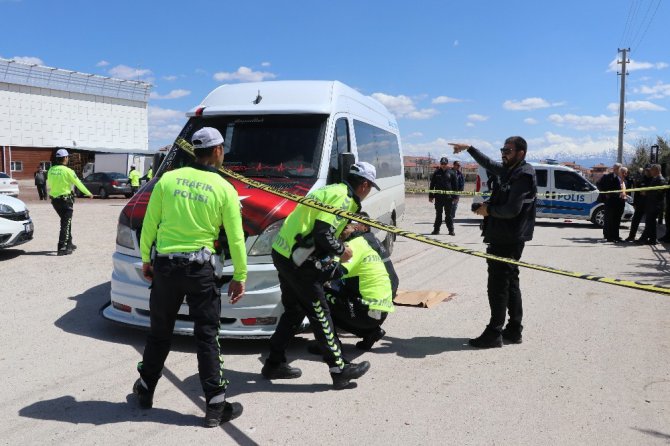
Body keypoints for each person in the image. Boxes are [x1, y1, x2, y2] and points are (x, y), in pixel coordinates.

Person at [133, 127, 247, 428]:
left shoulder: (167, 180)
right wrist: (240, 275)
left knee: (159, 333)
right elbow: (236, 239)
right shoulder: (224, 188)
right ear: (218, 151)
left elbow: (150, 224)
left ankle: (145, 390)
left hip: (166, 267)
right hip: (201, 271)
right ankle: (215, 407)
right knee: (207, 336)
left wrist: (146, 258)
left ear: (194, 150)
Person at [262, 161, 378, 390]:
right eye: (370, 187)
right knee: (320, 314)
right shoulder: (344, 198)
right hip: (299, 263)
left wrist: (340, 233)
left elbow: (319, 225)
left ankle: (274, 363)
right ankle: (339, 369)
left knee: (294, 311)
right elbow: (323, 234)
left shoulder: (331, 189)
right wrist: (341, 250)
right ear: (364, 184)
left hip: (284, 253)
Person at [450, 137, 536, 348]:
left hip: (508, 238)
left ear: (521, 153)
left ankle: (494, 332)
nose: (503, 153)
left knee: (498, 285)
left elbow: (512, 210)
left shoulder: (523, 174)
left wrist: (488, 210)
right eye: (502, 149)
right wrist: (470, 148)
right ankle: (514, 330)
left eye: (508, 150)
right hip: (504, 235)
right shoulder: (510, 169)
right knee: (511, 282)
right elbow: (488, 164)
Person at [321, 214, 398, 351]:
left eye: (344, 227)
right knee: (338, 292)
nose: (339, 232)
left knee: (317, 296)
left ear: (357, 227)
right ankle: (370, 332)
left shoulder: (354, 245)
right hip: (381, 310)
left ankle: (330, 347)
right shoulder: (368, 242)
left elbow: (331, 273)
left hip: (366, 311)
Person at [47, 149, 93, 255]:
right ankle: (62, 247)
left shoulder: (50, 170)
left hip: (55, 201)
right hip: (65, 200)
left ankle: (69, 243)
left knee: (66, 222)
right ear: (65, 158)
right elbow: (78, 183)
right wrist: (88, 193)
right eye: (67, 157)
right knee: (65, 223)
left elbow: (50, 183)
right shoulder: (68, 171)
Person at [635, 164, 666, 245]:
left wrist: (646, 193)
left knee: (649, 223)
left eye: (652, 170)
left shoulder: (661, 180)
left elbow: (659, 194)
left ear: (656, 170)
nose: (650, 172)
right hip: (651, 204)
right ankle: (653, 239)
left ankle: (643, 239)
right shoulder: (656, 179)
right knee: (651, 223)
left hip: (655, 205)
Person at [429, 156, 458, 235]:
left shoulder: (452, 173)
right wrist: (431, 196)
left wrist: (456, 197)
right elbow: (432, 185)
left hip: (448, 198)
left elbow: (455, 186)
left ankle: (451, 230)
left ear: (447, 164)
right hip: (438, 198)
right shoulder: (436, 173)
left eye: (445, 163)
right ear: (440, 164)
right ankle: (436, 230)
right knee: (438, 214)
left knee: (448, 215)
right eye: (442, 163)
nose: (443, 165)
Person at [597, 163, 625, 242]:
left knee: (617, 220)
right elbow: (598, 184)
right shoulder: (607, 177)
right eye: (615, 168)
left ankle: (616, 236)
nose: (616, 170)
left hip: (619, 202)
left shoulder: (622, 177)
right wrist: (605, 193)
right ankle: (609, 236)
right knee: (609, 219)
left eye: (618, 168)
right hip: (610, 201)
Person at [625, 165, 651, 242]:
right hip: (640, 204)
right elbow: (636, 192)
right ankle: (631, 236)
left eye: (649, 170)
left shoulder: (653, 180)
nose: (647, 172)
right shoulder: (641, 179)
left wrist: (647, 193)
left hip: (649, 204)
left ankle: (645, 237)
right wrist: (635, 203)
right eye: (646, 170)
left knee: (648, 222)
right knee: (635, 220)